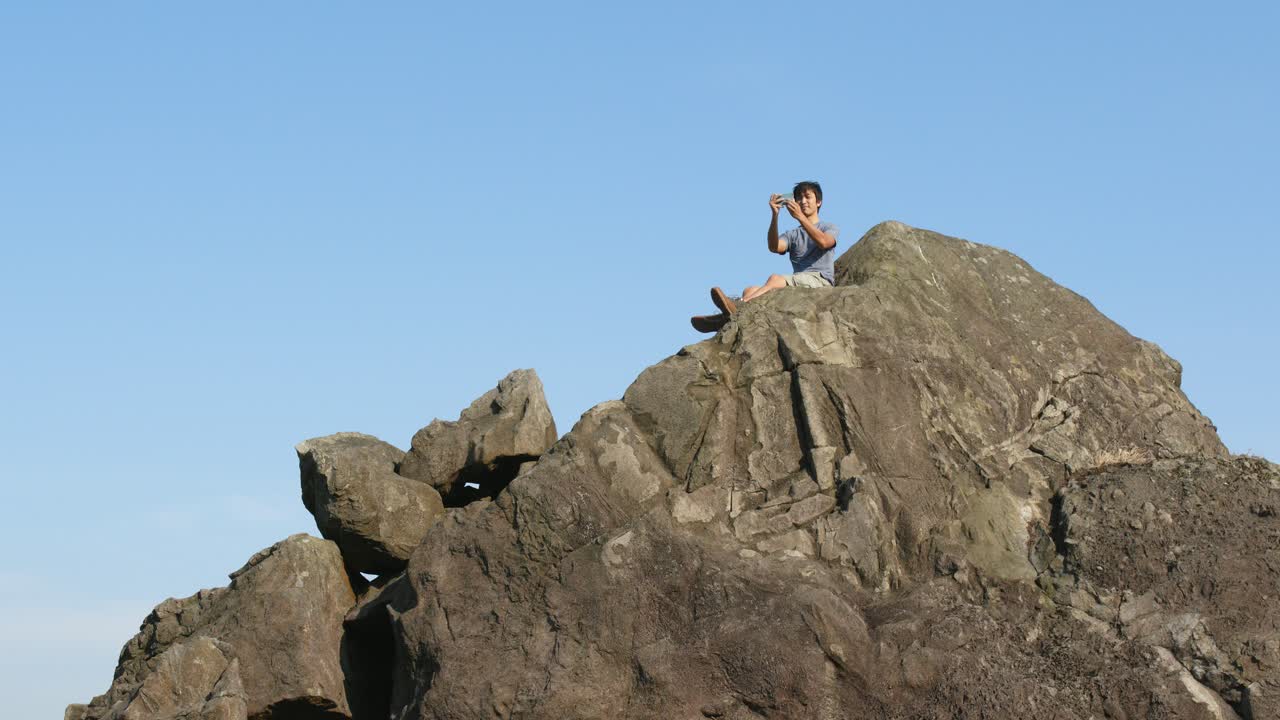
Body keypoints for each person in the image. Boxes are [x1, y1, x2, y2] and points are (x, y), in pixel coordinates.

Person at [692, 181, 839, 332]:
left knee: (774, 279)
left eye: (808, 197)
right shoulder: (793, 234)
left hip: (820, 281)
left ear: (819, 202)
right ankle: (729, 316)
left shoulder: (828, 227)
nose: (803, 201)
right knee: (750, 290)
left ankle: (737, 308)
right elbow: (774, 247)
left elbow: (824, 242)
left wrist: (801, 218)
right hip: (798, 282)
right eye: (799, 198)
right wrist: (775, 216)